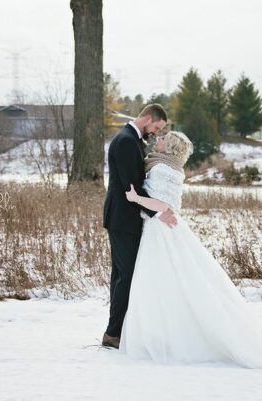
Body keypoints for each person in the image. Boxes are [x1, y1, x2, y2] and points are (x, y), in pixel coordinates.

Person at [119, 131, 262, 370]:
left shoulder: (164, 170)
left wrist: (136, 198)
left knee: (165, 282)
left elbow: (165, 206)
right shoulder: (166, 166)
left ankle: (171, 338)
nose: (159, 139)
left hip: (161, 232)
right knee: (164, 283)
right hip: (158, 229)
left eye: (164, 138)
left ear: (171, 146)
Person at [102, 104, 177, 349]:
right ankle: (113, 334)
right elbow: (130, 189)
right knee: (126, 276)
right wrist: (159, 211)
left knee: (121, 276)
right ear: (147, 119)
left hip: (126, 218)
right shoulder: (125, 141)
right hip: (123, 219)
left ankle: (117, 330)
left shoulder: (133, 140)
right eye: (156, 127)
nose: (156, 133)